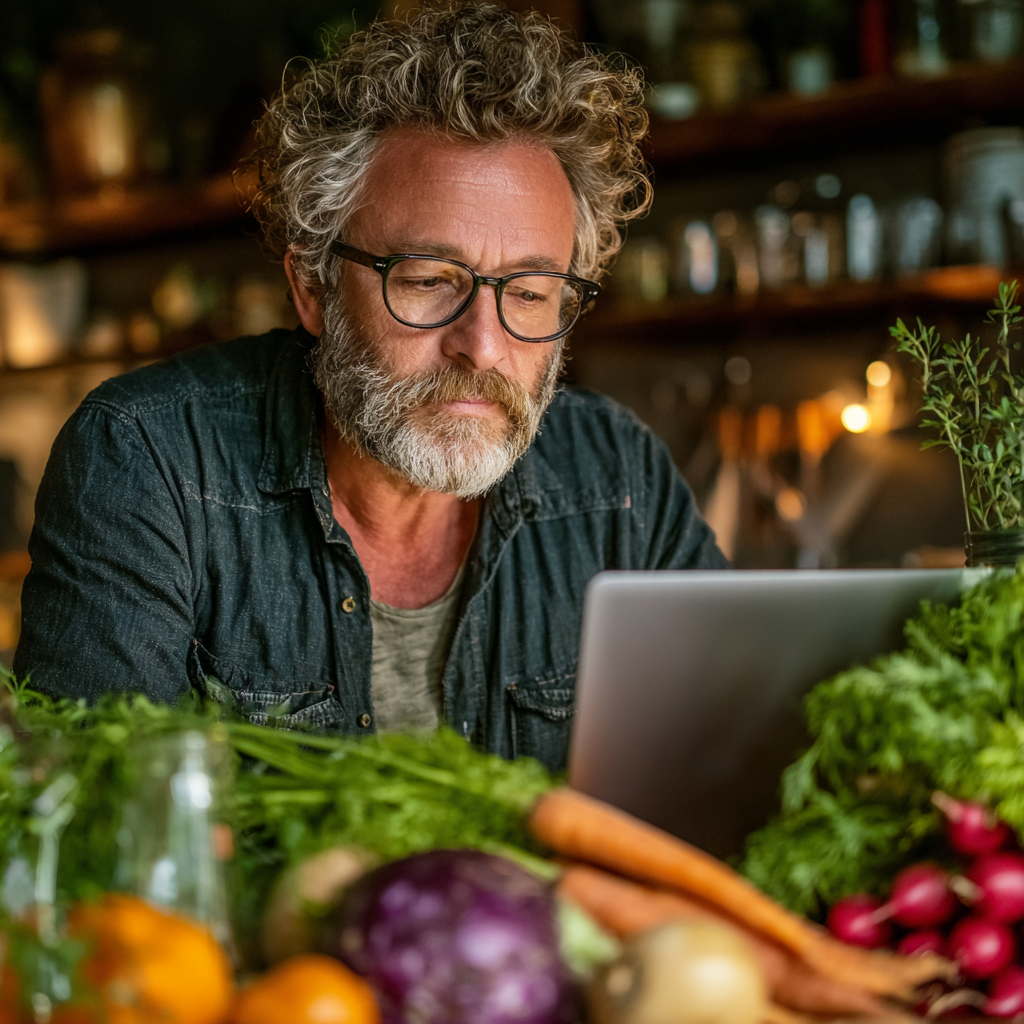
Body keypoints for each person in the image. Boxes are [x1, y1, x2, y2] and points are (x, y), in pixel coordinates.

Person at [14, 1, 727, 771]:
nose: (482, 348)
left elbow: (733, 752)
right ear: (313, 288)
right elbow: (92, 838)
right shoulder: (147, 464)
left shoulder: (619, 478)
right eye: (427, 281)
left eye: (528, 293)